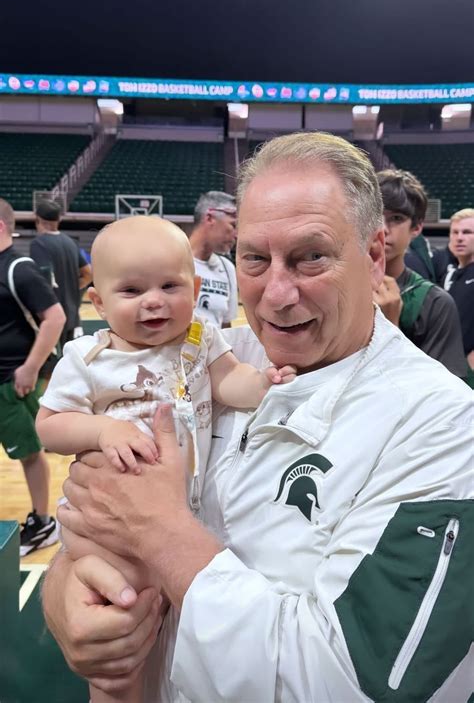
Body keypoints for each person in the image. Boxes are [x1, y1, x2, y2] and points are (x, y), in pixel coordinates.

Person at [42, 133, 473, 703]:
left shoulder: (442, 425)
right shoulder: (210, 359)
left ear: (373, 257)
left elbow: (353, 685)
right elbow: (93, 523)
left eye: (310, 256)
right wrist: (67, 601)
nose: (276, 294)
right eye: (254, 259)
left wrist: (158, 532)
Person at [36, 215, 295, 703]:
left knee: (171, 624)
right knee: (119, 642)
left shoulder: (199, 338)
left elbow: (228, 381)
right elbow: (50, 426)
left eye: (169, 286)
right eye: (132, 290)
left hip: (176, 517)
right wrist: (103, 429)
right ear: (98, 303)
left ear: (194, 290)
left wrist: (262, 383)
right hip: (109, 527)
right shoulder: (88, 359)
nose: (153, 301)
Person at [0, 198, 65, 556]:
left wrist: (29, 367)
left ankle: (42, 522)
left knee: (28, 451)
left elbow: (54, 318)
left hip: (10, 384)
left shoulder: (18, 268)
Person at [374, 169, 467, 378]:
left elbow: (444, 390)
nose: (382, 228)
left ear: (416, 228)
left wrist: (389, 331)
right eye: (374, 215)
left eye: (396, 218)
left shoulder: (435, 303)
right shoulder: (333, 287)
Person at [31, 199, 92, 351]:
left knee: (49, 361)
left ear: (37, 219)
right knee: (67, 360)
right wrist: (72, 288)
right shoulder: (71, 243)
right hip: (72, 314)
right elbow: (88, 274)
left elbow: (44, 279)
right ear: (59, 220)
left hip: (51, 315)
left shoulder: (39, 244)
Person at [188, 191, 238, 328]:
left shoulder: (227, 268)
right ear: (210, 218)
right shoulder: (172, 261)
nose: (236, 235)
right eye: (233, 225)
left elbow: (226, 326)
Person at [445, 208, 474, 371]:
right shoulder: (450, 275)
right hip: (448, 366)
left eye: (467, 232)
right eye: (455, 232)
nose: (459, 238)